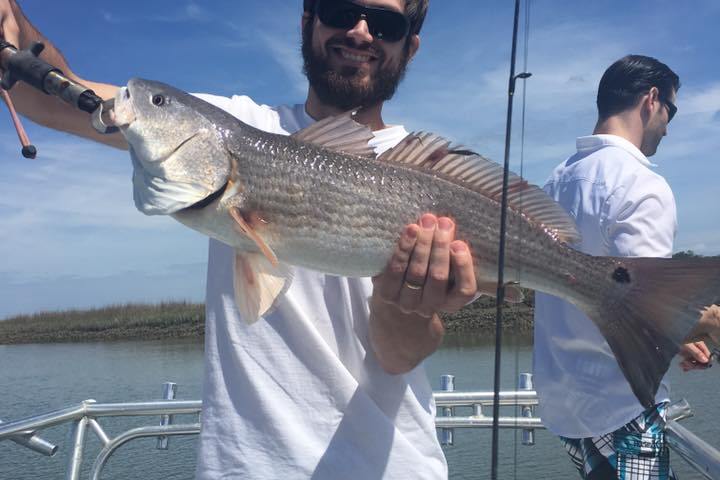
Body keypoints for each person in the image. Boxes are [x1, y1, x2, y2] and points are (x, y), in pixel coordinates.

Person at [0, 0, 481, 478]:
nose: (359, 31)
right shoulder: (235, 124)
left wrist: (408, 297)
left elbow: (398, 358)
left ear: (409, 47)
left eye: (385, 23)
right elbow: (44, 95)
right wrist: (13, 21)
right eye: (339, 10)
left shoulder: (431, 182)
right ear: (308, 22)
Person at [533, 55, 713, 480]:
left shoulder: (553, 183)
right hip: (620, 404)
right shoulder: (641, 184)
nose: (669, 126)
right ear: (651, 100)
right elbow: (648, 305)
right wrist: (707, 325)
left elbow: (601, 294)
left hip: (565, 404)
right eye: (672, 110)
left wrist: (679, 339)